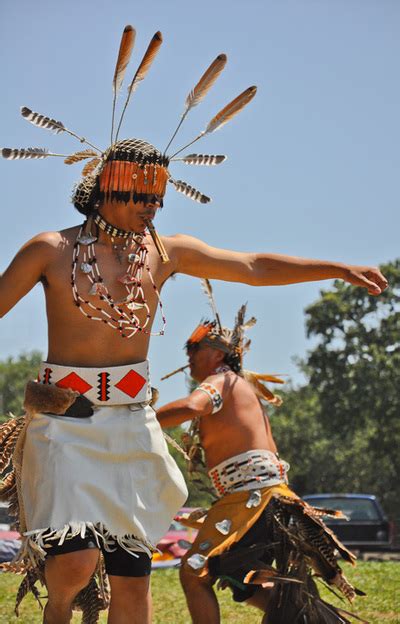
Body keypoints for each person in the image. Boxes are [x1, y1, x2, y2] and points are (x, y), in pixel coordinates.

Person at [0, 25, 387, 624]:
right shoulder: (49, 250)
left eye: (157, 199)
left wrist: (334, 268)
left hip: (129, 425)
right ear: (106, 189)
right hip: (64, 423)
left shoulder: (166, 251)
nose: (151, 208)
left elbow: (253, 266)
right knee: (74, 569)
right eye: (139, 196)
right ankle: (60, 607)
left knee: (132, 577)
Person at [156, 285, 366, 624]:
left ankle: (311, 616)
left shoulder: (222, 381)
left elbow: (192, 406)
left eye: (195, 348)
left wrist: (138, 418)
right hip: (265, 497)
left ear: (219, 356)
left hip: (252, 499)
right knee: (242, 576)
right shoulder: (240, 386)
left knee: (195, 571)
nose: (188, 355)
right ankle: (313, 617)